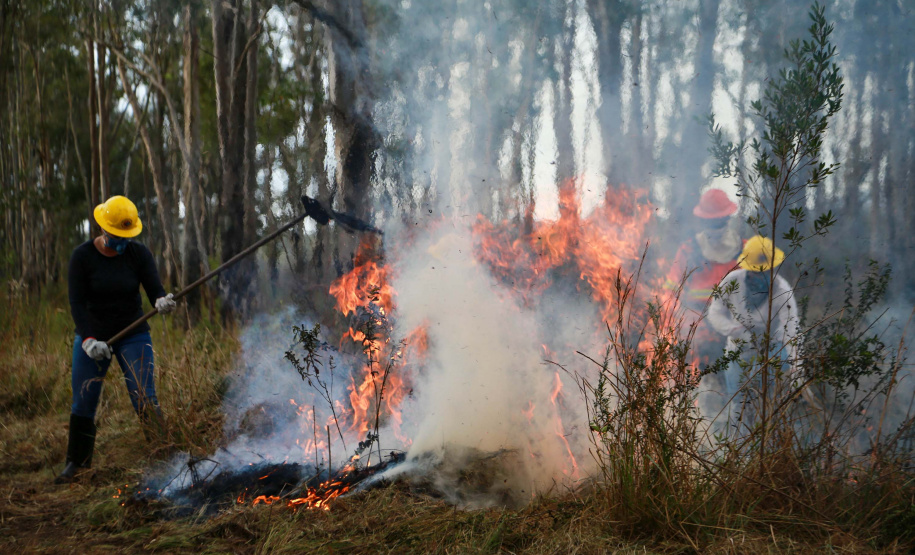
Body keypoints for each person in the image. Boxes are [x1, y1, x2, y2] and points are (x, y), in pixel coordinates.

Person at [55, 195, 177, 484]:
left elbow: (154, 289)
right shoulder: (82, 257)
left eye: (127, 236)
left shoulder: (138, 254)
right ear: (103, 230)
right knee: (84, 400)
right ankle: (77, 463)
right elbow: (76, 303)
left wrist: (162, 301)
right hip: (93, 335)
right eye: (116, 236)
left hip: (133, 333)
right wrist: (88, 340)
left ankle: (164, 456)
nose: (122, 242)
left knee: (145, 395)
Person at [706, 235, 800, 414]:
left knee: (769, 406)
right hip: (737, 351)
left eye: (763, 271)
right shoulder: (732, 281)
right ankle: (739, 439)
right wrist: (734, 330)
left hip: (771, 352)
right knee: (737, 406)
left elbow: (791, 328)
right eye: (754, 271)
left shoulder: (782, 290)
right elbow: (714, 312)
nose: (758, 275)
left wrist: (796, 368)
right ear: (746, 268)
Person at [666, 189, 742, 367]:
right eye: (711, 221)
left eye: (719, 221)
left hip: (734, 327)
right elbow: (670, 292)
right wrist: (685, 324)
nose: (715, 226)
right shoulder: (689, 250)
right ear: (702, 221)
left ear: (728, 219)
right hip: (697, 327)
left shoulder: (744, 250)